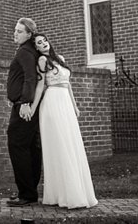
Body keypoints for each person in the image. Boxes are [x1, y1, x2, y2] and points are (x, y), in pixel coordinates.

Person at [29, 33, 98, 209]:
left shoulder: (60, 58)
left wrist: (75, 106)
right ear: (36, 48)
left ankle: (77, 191)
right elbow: (40, 86)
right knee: (59, 145)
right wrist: (33, 108)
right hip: (51, 103)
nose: (43, 43)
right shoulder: (42, 61)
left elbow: (68, 85)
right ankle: (63, 194)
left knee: (71, 143)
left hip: (65, 103)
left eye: (44, 40)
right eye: (39, 43)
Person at [5, 17, 43, 206]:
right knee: (30, 149)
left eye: (19, 31)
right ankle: (29, 192)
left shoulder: (25, 52)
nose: (15, 33)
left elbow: (30, 78)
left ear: (29, 34)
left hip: (24, 107)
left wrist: (25, 103)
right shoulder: (30, 51)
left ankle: (26, 194)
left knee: (18, 147)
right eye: (15, 30)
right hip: (26, 105)